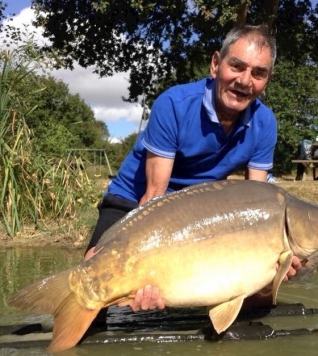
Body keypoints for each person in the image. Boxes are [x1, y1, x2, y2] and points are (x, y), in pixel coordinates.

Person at [85, 24, 302, 313]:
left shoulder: (265, 123)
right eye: (236, 66)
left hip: (197, 209)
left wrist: (269, 262)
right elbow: (155, 196)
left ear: (267, 80)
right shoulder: (174, 104)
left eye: (258, 73)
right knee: (93, 280)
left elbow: (260, 200)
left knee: (256, 294)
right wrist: (144, 266)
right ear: (216, 64)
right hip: (135, 202)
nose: (245, 80)